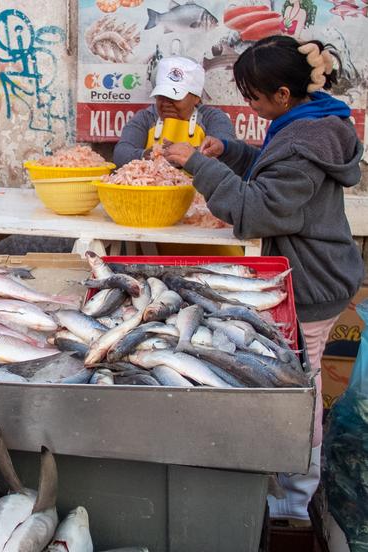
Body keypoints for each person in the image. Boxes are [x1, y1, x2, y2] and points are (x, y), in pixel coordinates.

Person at [162, 35, 364, 524]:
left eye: (253, 96)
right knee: (295, 380)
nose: (249, 104)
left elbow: (258, 210)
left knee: (299, 390)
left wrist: (198, 164)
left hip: (311, 282)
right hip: (312, 270)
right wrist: (229, 151)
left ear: (284, 95)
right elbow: (273, 177)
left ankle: (294, 500)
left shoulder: (304, 138)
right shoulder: (307, 123)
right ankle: (284, 478)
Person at [113, 56, 235, 167]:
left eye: (175, 97)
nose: (166, 103)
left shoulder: (213, 118)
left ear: (196, 97)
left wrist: (187, 154)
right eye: (161, 95)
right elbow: (121, 153)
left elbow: (226, 152)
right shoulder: (146, 117)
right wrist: (148, 154)